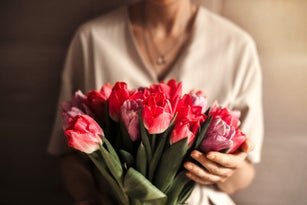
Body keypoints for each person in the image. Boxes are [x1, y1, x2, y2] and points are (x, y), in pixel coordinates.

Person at [48, 0, 264, 204]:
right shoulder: (92, 39)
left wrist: (224, 170)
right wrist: (88, 199)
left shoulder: (237, 46)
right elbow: (69, 154)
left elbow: (243, 174)